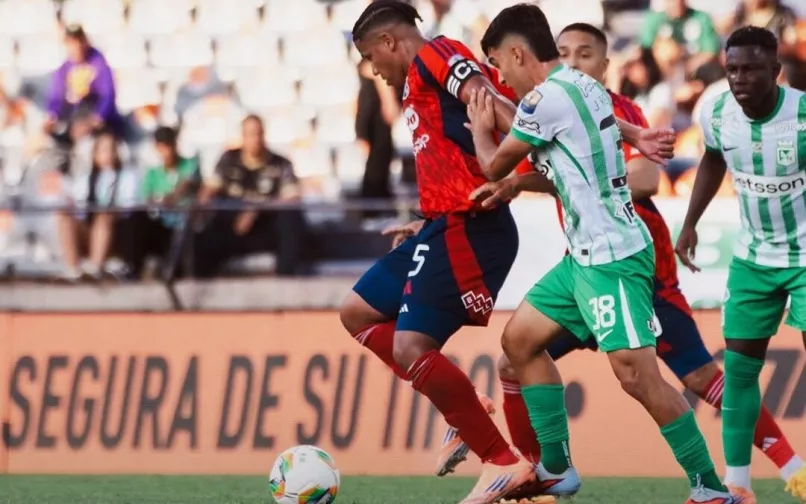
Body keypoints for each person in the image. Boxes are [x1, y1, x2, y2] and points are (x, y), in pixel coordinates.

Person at [441, 21, 804, 504]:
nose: (500, 77)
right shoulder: (585, 87)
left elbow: (493, 164)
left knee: (639, 376)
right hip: (583, 258)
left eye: (500, 64)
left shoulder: (544, 100)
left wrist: (481, 129)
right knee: (519, 342)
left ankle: (711, 488)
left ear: (517, 53)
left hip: (613, 259)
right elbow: (574, 168)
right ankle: (556, 467)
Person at [343, 2, 676, 504]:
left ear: (390, 42)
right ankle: (465, 405)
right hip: (442, 221)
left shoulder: (437, 54)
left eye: (372, 56)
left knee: (413, 347)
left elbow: (495, 103)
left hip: (471, 225)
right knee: (357, 312)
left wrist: (520, 158)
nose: (374, 71)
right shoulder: (419, 79)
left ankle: (502, 461)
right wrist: (428, 214)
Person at [675, 26, 806, 504]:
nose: (739, 78)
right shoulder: (714, 111)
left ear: (776, 71)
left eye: (751, 69)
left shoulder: (803, 116)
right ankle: (739, 485)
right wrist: (690, 222)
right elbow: (712, 159)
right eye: (732, 69)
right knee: (740, 370)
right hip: (753, 259)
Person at [193, 115, 305, 278]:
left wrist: (256, 209)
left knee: (291, 218)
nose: (255, 139)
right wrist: (200, 205)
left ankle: (286, 278)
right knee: (201, 233)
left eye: (258, 133)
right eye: (250, 134)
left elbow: (293, 198)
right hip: (232, 224)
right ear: (243, 136)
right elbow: (210, 189)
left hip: (266, 225)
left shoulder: (280, 163)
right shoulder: (228, 159)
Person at [56, 130, 139, 282]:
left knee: (103, 216)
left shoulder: (128, 176)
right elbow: (79, 206)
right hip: (90, 228)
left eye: (111, 149)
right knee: (64, 216)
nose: (107, 154)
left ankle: (95, 267)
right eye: (103, 150)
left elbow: (129, 207)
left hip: (116, 230)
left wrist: (109, 212)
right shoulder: (86, 178)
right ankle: (73, 269)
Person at [44, 24, 122, 149]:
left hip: (98, 122)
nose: (76, 47)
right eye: (71, 43)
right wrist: (51, 118)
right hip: (73, 119)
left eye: (78, 42)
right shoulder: (64, 68)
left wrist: (92, 122)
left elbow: (108, 96)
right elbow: (56, 98)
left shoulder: (99, 63)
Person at [136, 126, 198, 278]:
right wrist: (161, 201)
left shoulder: (190, 165)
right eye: (162, 147)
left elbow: (184, 187)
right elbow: (147, 199)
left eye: (169, 146)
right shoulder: (152, 174)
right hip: (161, 223)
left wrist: (166, 199)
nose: (167, 152)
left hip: (185, 223)